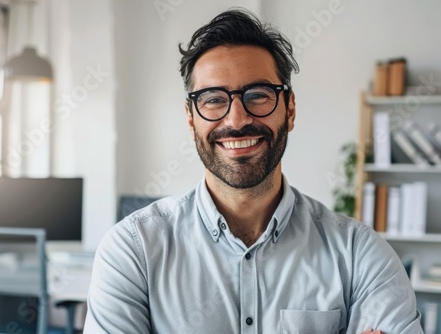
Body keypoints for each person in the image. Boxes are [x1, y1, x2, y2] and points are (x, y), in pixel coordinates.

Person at [84, 9, 422, 334]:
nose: (236, 119)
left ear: (289, 109)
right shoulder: (132, 251)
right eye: (213, 99)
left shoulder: (360, 254)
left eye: (258, 95)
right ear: (191, 119)